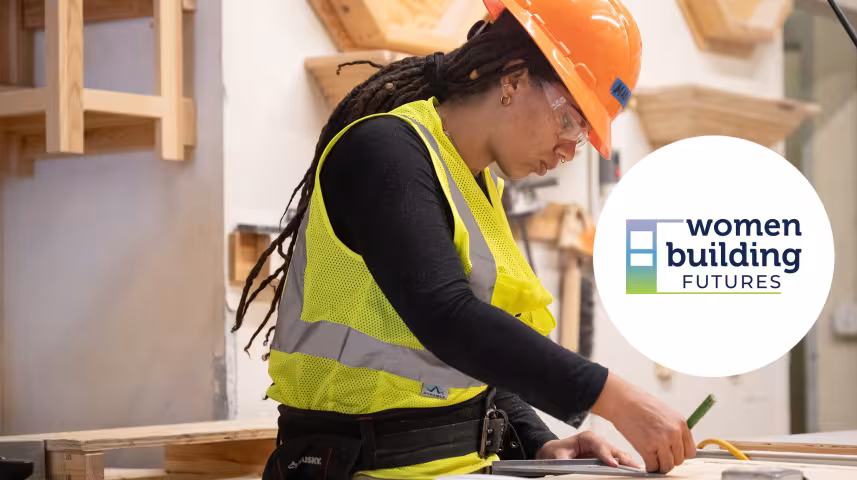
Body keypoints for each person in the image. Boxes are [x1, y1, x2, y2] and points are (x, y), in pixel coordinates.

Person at [232, 0, 696, 478]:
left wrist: (538, 443)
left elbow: (470, 367)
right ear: (513, 78)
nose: (566, 149)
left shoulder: (478, 188)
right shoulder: (383, 152)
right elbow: (448, 318)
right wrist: (615, 397)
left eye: (579, 137)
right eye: (569, 121)